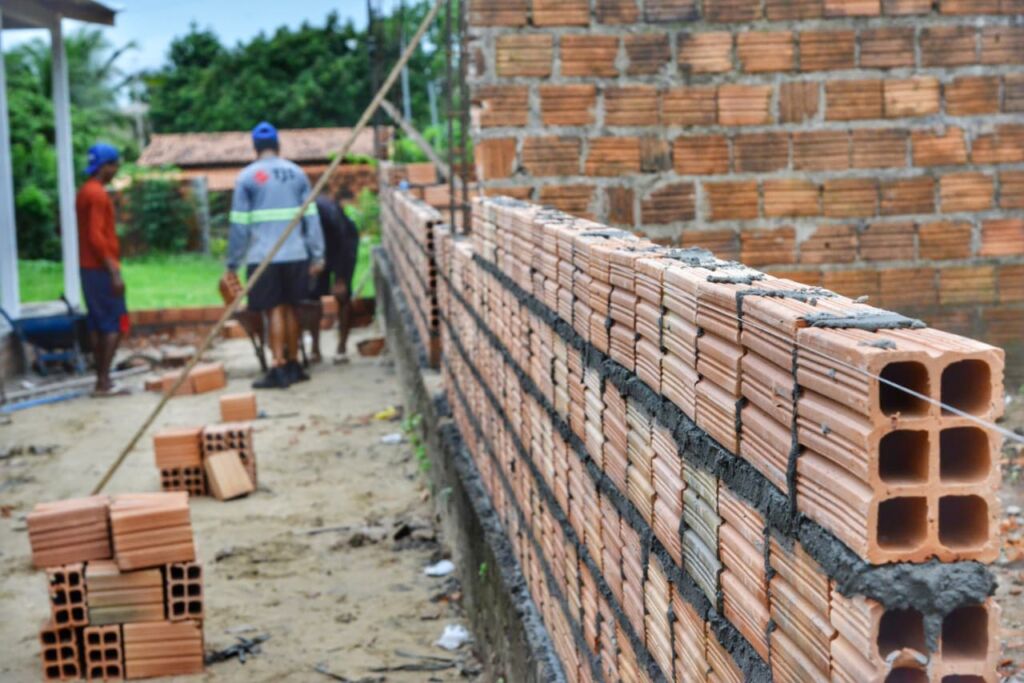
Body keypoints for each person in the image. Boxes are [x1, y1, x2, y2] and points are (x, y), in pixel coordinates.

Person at [227, 122, 325, 389]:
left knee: (275, 311)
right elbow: (312, 218)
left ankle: (278, 366)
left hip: (264, 257)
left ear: (255, 148)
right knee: (292, 308)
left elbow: (239, 226)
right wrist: (317, 255)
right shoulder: (296, 173)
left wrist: (233, 262)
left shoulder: (247, 177)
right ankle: (294, 364)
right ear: (278, 146)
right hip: (296, 254)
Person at [77, 143, 128, 397]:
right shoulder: (97, 194)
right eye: (114, 165)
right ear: (105, 166)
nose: (116, 170)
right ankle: (104, 382)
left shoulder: (84, 191)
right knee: (117, 323)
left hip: (89, 270)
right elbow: (95, 236)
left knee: (98, 324)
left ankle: (102, 380)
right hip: (101, 270)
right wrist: (114, 272)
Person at [308, 193, 360, 364]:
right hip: (318, 251)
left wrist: (341, 278)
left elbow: (343, 240)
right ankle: (315, 348)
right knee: (313, 297)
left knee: (342, 295)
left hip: (343, 245)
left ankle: (342, 348)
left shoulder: (326, 212)